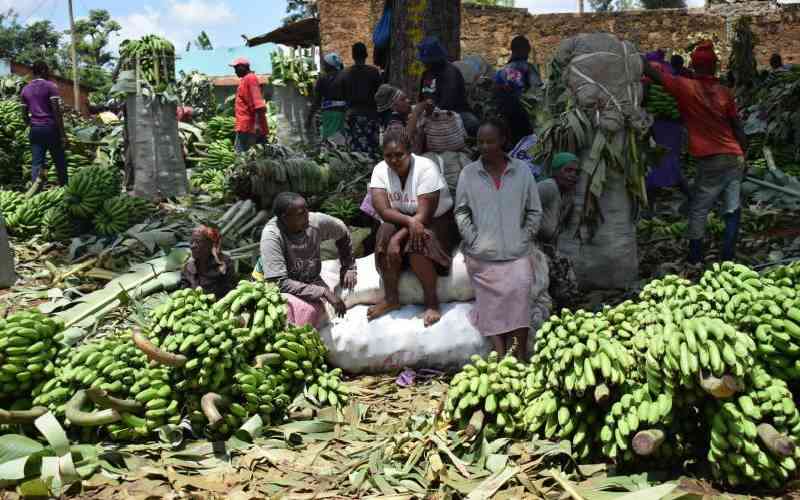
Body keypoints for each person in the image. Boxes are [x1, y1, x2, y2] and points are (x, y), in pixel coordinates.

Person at [643, 41, 747, 264]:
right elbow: (737, 126)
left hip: (710, 159)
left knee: (699, 208)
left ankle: (695, 256)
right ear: (714, 67)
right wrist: (743, 154)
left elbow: (655, 76)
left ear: (694, 65)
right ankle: (728, 256)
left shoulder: (685, 87)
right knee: (732, 208)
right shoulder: (724, 93)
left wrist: (637, 57)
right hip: (734, 156)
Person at [455, 119, 542, 359]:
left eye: (490, 141)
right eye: (480, 142)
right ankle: (501, 359)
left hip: (517, 253)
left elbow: (534, 211)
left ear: (503, 141)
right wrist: (473, 239)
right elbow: (461, 211)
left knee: (519, 302)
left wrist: (524, 237)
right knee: (491, 308)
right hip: (483, 256)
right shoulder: (469, 174)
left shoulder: (521, 171)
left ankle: (518, 357)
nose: (484, 146)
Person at [367, 129, 458, 327]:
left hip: (436, 219)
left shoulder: (426, 168)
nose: (394, 160)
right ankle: (391, 298)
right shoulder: (380, 170)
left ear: (409, 152)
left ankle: (432, 302)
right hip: (404, 218)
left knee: (418, 243)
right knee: (384, 231)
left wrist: (398, 239)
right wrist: (402, 228)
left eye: (399, 154)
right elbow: (383, 210)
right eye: (388, 156)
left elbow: (424, 216)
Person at [259, 192, 357, 329]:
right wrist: (323, 292)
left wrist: (348, 266)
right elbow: (278, 282)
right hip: (279, 289)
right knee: (301, 317)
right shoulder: (272, 236)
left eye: (307, 209)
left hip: (310, 280)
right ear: (284, 218)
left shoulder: (315, 222)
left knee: (329, 315)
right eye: (300, 213)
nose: (307, 215)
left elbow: (342, 231)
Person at [643, 50, 690, 203]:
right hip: (673, 125)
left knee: (656, 159)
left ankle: (654, 195)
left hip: (656, 125)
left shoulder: (648, 79)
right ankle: (680, 190)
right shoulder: (672, 76)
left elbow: (644, 102)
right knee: (670, 158)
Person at [537, 152, 580, 309]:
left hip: (548, 247)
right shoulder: (547, 187)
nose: (572, 175)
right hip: (532, 246)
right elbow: (523, 209)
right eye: (567, 170)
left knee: (567, 281)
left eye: (576, 172)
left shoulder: (568, 195)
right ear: (555, 171)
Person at [417, 36, 479, 136]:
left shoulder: (451, 73)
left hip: (454, 115)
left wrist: (431, 115)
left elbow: (447, 104)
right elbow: (421, 99)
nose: (424, 63)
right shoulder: (426, 74)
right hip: (430, 115)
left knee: (471, 123)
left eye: (428, 61)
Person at [20, 61, 67, 187]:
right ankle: (65, 189)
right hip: (50, 128)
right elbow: (57, 112)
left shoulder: (25, 89)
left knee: (36, 163)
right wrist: (62, 134)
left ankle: (35, 193)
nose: (49, 73)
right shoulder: (50, 86)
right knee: (60, 161)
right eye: (47, 70)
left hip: (35, 130)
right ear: (42, 71)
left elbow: (24, 115)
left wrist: (33, 124)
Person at [494, 35, 542, 147]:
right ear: (524, 50)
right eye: (527, 51)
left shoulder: (501, 72)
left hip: (506, 118)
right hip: (526, 118)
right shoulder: (528, 68)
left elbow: (495, 94)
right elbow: (538, 92)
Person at [339, 43, 383, 157]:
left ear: (353, 56)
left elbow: (342, 96)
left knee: (355, 153)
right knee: (372, 150)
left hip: (353, 116)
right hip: (371, 116)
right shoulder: (374, 72)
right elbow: (379, 94)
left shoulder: (345, 73)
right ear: (366, 55)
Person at [180, 225, 237, 299]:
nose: (192, 246)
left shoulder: (225, 264)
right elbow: (183, 290)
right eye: (191, 242)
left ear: (210, 244)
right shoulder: (188, 267)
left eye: (198, 242)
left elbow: (232, 292)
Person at [230, 57, 268, 153]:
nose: (235, 72)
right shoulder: (246, 79)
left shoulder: (250, 79)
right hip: (247, 126)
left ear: (243, 67)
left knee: (241, 155)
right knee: (258, 156)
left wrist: (257, 125)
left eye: (236, 68)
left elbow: (258, 103)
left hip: (249, 127)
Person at [308, 53, 347, 144]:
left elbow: (317, 100)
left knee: (330, 142)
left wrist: (310, 117)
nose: (323, 66)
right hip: (343, 113)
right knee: (340, 141)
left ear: (329, 65)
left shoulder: (322, 79)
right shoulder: (344, 76)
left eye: (325, 64)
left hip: (328, 114)